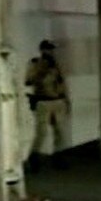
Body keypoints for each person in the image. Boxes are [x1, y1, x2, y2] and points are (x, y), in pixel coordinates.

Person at [24, 39, 71, 172]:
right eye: (48, 49)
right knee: (41, 132)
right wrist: (41, 69)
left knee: (60, 132)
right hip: (43, 101)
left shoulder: (56, 65)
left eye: (51, 49)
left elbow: (62, 83)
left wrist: (66, 100)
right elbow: (28, 81)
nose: (50, 52)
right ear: (42, 50)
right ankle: (34, 159)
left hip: (57, 101)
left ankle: (59, 159)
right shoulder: (35, 63)